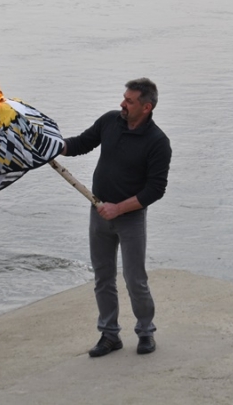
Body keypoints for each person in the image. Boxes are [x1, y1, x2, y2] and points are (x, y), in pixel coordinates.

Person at [61, 78, 172, 357]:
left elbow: (155, 190)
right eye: (124, 98)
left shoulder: (158, 142)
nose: (122, 104)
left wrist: (119, 208)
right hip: (98, 211)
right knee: (103, 277)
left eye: (129, 101)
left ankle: (145, 332)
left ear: (146, 107)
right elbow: (80, 144)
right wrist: (53, 146)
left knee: (135, 279)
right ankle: (109, 335)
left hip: (130, 218)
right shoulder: (110, 121)